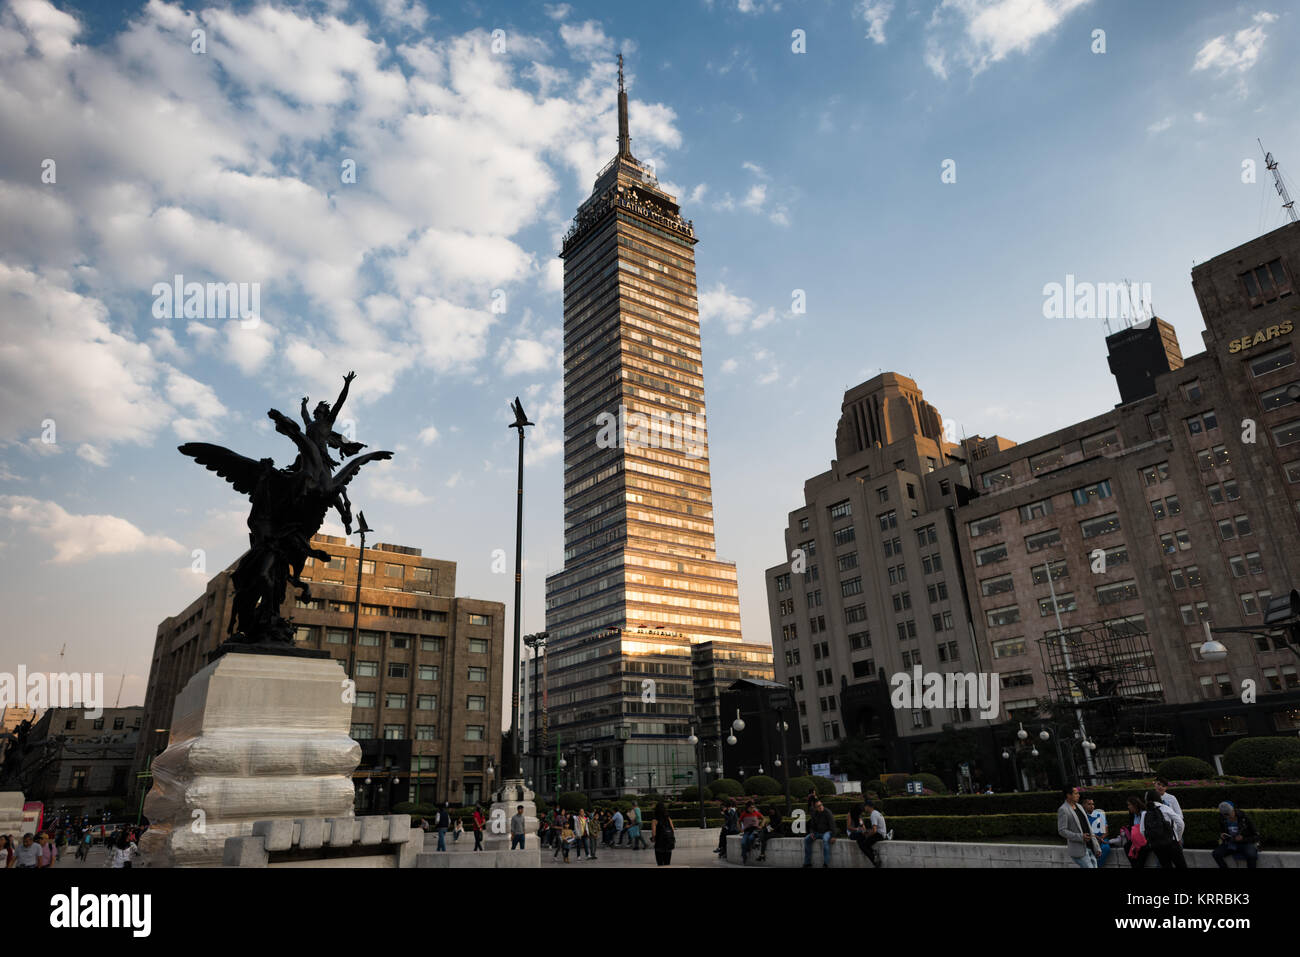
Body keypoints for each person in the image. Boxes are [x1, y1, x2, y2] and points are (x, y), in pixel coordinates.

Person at [1139, 791, 1187, 869]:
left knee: (1165, 865)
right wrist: (1178, 837)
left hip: (1157, 845)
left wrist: (1151, 840)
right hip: (1172, 842)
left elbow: (1142, 831)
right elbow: (1180, 823)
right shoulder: (1166, 808)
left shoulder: (1145, 813)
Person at [1057, 785, 1100, 868]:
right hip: (1078, 850)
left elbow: (1088, 827)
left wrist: (1096, 846)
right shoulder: (1063, 809)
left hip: (1090, 846)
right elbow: (1062, 830)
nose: (1078, 795)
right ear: (1068, 795)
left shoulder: (1079, 806)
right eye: (1076, 793)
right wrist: (1080, 837)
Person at [1212, 801, 1260, 869]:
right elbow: (1223, 832)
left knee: (1252, 856)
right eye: (1225, 815)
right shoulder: (1223, 819)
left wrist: (1243, 838)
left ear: (1233, 810)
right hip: (1231, 843)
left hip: (1245, 843)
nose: (1227, 816)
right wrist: (1222, 836)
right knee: (1216, 854)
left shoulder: (1244, 818)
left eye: (1228, 814)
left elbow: (1256, 835)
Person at [803, 798, 836, 868]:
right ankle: (807, 863)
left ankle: (826, 864)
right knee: (806, 839)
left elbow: (833, 825)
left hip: (827, 832)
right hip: (817, 833)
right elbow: (812, 826)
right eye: (818, 806)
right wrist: (811, 832)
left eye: (821, 805)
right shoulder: (815, 813)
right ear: (815, 808)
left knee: (825, 839)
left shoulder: (827, 812)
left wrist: (833, 836)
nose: (820, 807)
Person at [1153, 778, 1185, 846]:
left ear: (1166, 788)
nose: (1160, 787)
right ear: (1154, 784)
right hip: (1158, 834)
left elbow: (1180, 815)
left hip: (1173, 833)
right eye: (1158, 784)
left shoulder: (1171, 798)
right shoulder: (1150, 797)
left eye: (1163, 786)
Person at [1083, 797, 1110, 868]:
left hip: (1102, 839)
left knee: (1106, 848)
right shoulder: (1083, 817)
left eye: (1093, 804)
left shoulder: (1099, 814)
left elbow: (1106, 831)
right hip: (1090, 839)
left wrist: (1101, 838)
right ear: (1084, 806)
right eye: (1089, 804)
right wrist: (1095, 839)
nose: (1092, 806)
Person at [651, 802, 675, 866]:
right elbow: (672, 829)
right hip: (668, 843)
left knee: (660, 864)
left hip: (659, 843)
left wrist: (653, 839)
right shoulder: (668, 818)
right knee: (667, 863)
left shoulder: (655, 820)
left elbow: (654, 833)